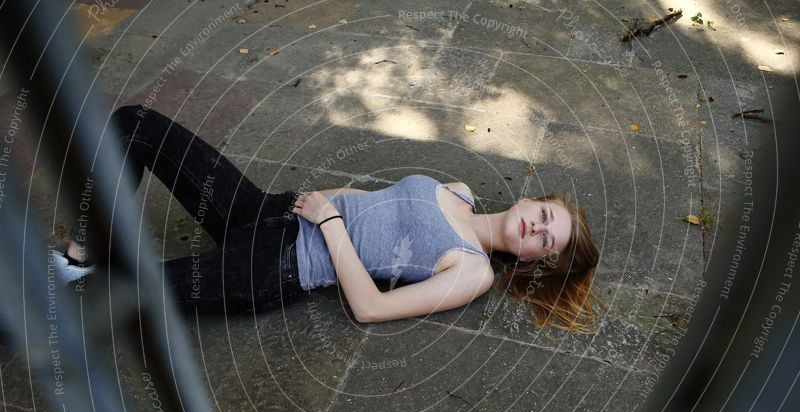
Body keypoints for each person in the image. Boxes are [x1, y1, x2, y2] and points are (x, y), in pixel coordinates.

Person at [52, 105, 600, 333]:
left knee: (106, 292)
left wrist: (330, 222)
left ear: (534, 261)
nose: (538, 228)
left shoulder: (473, 271)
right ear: (533, 200)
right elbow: (374, 197)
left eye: (547, 243)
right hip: (272, 209)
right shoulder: (457, 190)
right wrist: (327, 199)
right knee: (137, 124)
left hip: (275, 266)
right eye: (546, 216)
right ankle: (86, 244)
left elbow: (370, 307)